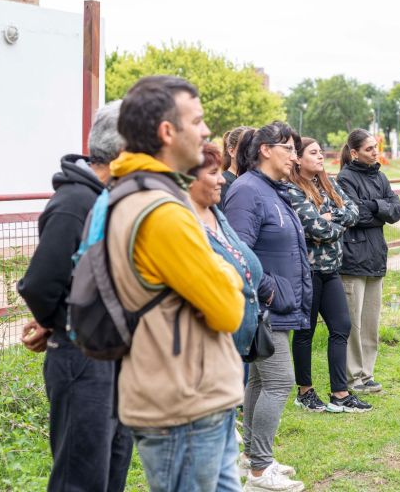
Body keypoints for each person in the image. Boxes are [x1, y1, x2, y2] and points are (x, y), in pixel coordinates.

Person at [108, 76, 246, 492]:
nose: (206, 132)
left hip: (194, 397)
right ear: (168, 132)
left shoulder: (129, 192)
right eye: (198, 120)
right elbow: (228, 308)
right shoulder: (162, 211)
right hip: (183, 405)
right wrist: (227, 274)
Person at [17, 101, 133, 492]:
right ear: (122, 153)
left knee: (112, 463)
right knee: (80, 477)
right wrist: (57, 323)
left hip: (114, 354)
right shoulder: (74, 203)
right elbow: (40, 283)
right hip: (81, 357)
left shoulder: (113, 200)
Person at [225, 122, 310, 492]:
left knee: (261, 381)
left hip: (278, 305)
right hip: (264, 308)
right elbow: (236, 251)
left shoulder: (272, 190)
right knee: (280, 382)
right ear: (265, 150)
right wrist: (270, 291)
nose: (295, 156)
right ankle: (260, 472)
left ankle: (253, 458)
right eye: (289, 149)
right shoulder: (247, 191)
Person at [286, 137, 372, 413]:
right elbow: (314, 228)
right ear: (298, 159)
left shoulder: (329, 182)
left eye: (321, 152)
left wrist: (329, 219)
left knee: (341, 326)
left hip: (331, 269)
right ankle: (305, 391)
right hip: (307, 271)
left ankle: (339, 393)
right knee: (305, 332)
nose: (321, 156)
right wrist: (333, 222)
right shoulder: (292, 189)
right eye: (314, 152)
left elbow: (353, 211)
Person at [337, 129, 400, 394]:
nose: (375, 152)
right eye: (369, 149)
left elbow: (396, 211)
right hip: (353, 258)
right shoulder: (344, 178)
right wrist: (380, 208)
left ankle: (367, 374)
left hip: (376, 256)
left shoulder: (381, 176)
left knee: (371, 322)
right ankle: (353, 377)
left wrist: (374, 206)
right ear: (354, 153)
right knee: (354, 323)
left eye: (375, 148)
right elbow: (354, 215)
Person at [188, 142, 262, 365]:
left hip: (237, 346)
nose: (222, 180)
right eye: (213, 173)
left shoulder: (215, 213)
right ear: (188, 178)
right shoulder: (184, 222)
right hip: (206, 351)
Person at [219, 126, 254, 211]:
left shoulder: (253, 181)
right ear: (231, 151)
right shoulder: (223, 183)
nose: (252, 152)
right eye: (246, 147)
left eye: (255, 147)